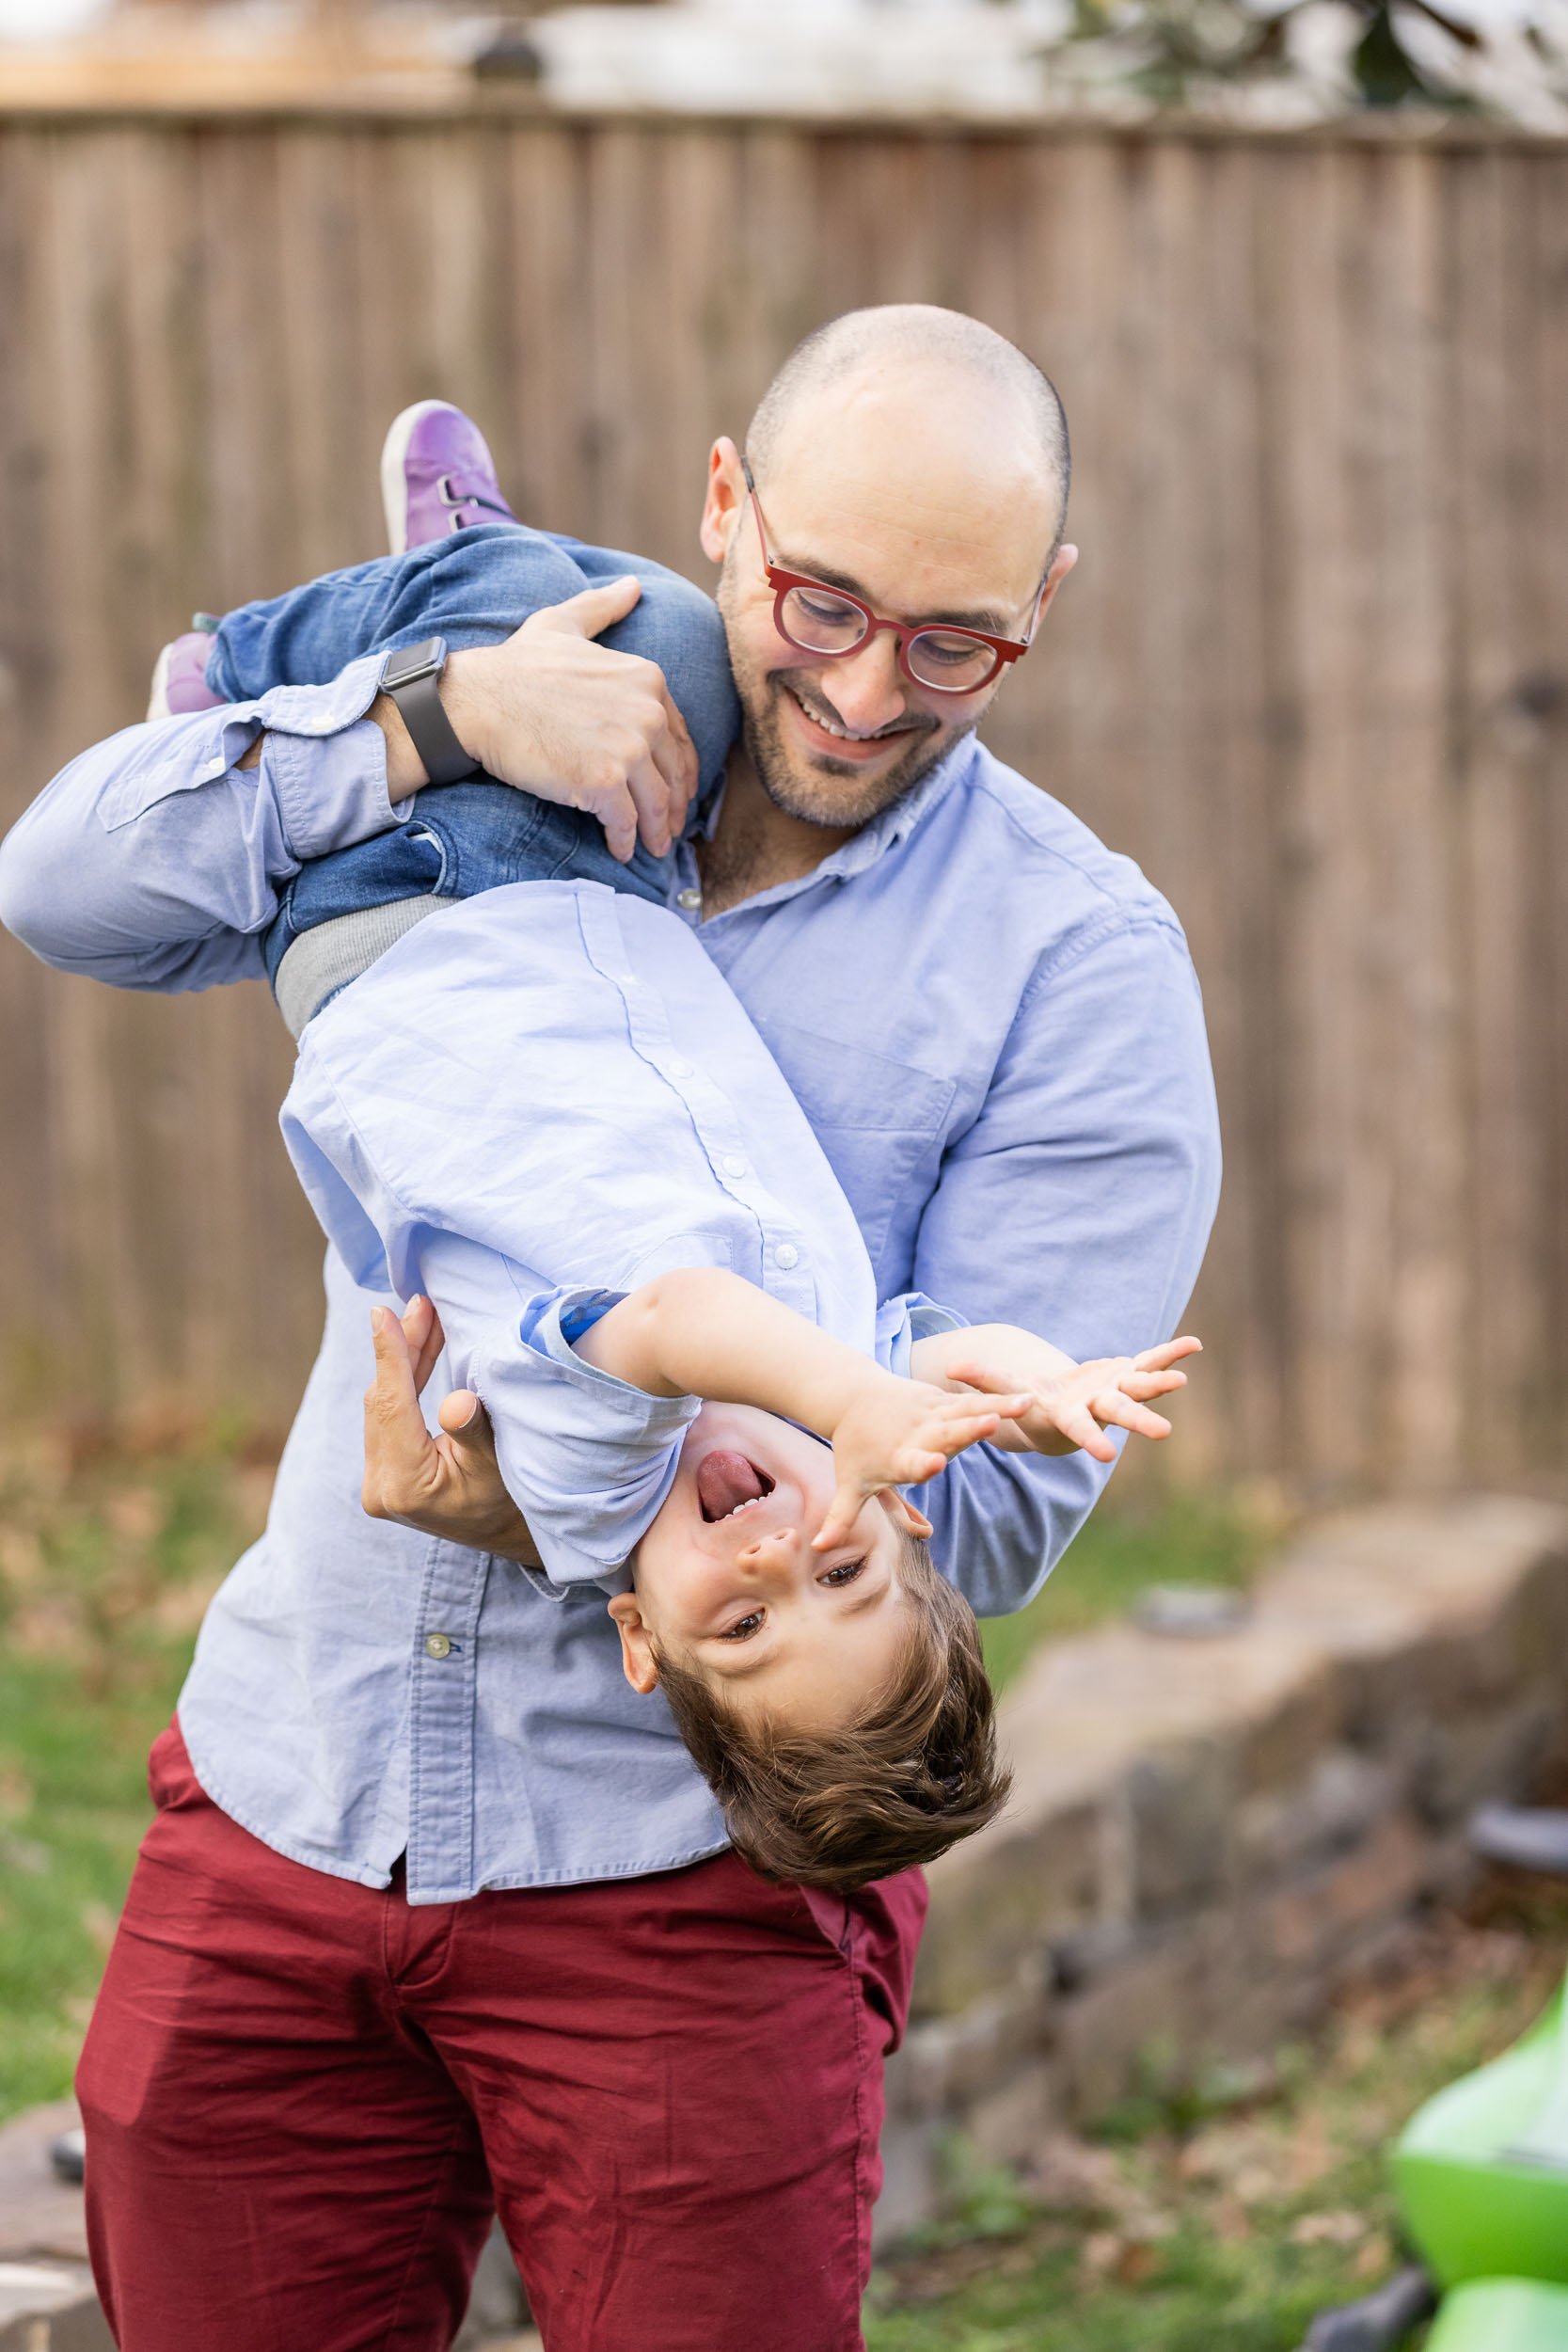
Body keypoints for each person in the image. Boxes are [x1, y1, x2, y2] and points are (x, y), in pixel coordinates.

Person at [0, 306, 1223, 2352]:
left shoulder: (1075, 966)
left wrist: (571, 1510)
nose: (858, 683)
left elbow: (986, 1538)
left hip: (682, 1889)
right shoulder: (537, 714)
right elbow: (69, 887)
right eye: (824, 599)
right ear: (730, 505)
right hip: (295, 1783)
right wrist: (435, 719)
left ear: (1042, 609)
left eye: (953, 638)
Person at [150, 444, 1197, 1883]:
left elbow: (680, 1318)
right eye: (839, 1570)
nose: (778, 1558)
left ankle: (240, 662)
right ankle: (448, 568)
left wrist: (864, 1405)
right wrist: (1030, 1384)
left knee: (599, 625)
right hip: (576, 928)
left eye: (747, 1622)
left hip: (411, 943)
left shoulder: (601, 1479)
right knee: (618, 648)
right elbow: (929, 1373)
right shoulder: (834, 1427)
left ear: (642, 1636)